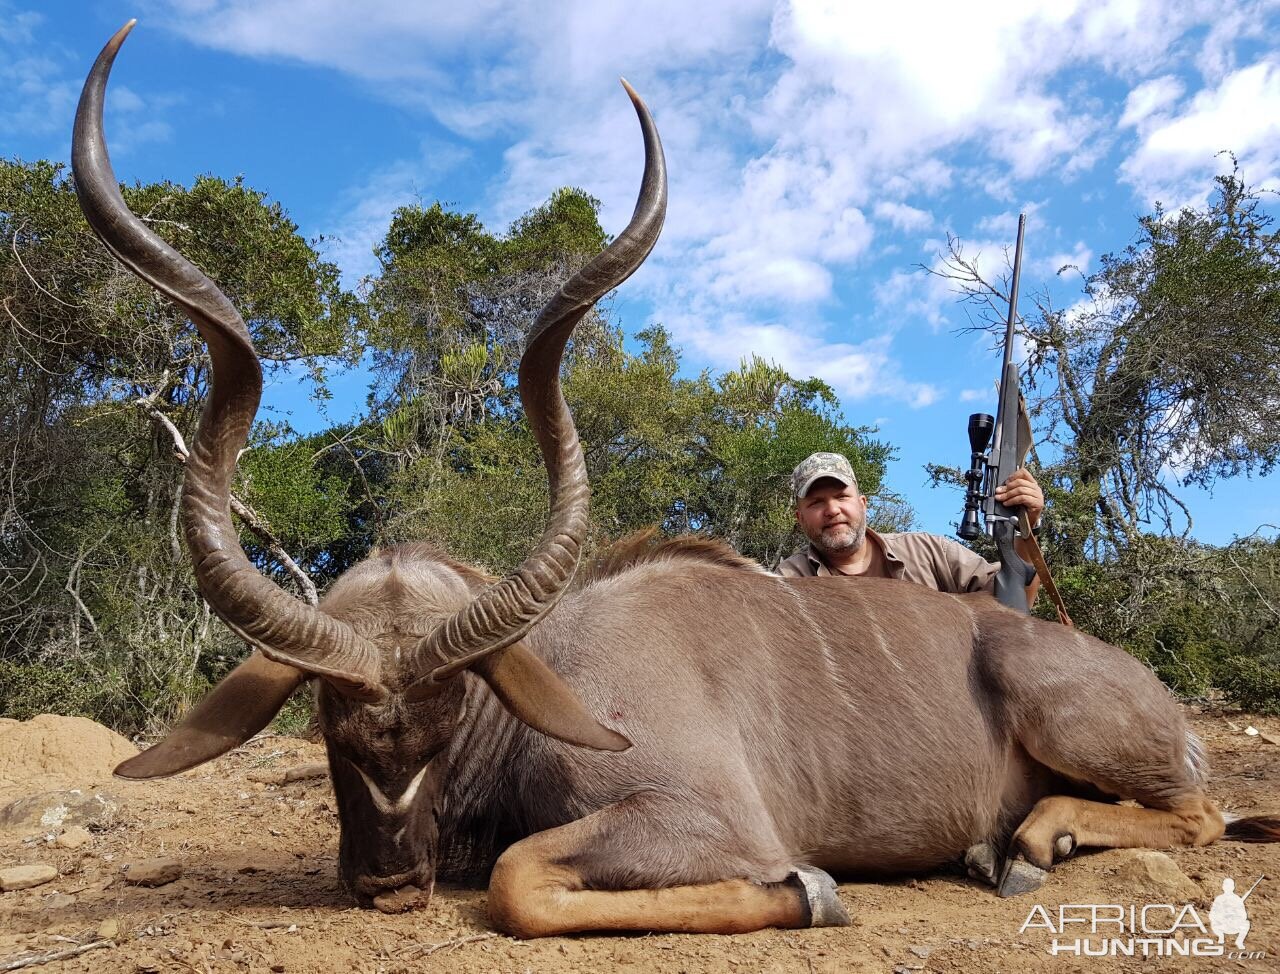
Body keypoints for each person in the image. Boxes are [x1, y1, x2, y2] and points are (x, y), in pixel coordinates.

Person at [776, 452, 1044, 606]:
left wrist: (1025, 526)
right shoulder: (788, 580)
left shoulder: (928, 551)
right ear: (800, 518)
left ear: (862, 504)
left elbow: (1014, 604)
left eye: (841, 497)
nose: (832, 510)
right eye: (816, 502)